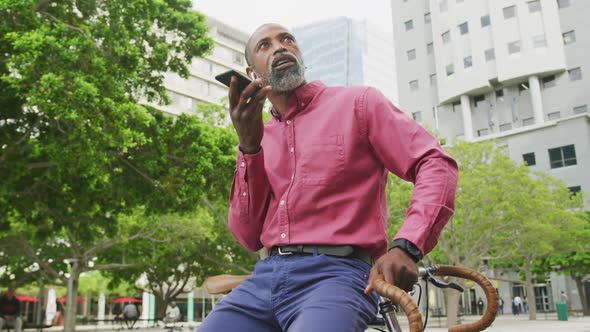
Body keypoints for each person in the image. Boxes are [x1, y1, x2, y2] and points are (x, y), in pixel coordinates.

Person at [198, 23, 458, 332]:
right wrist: (249, 148)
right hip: (264, 278)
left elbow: (434, 162)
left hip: (339, 276)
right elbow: (247, 235)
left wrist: (407, 246)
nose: (280, 47)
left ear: (300, 55)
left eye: (287, 39)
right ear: (251, 74)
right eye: (264, 46)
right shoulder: (258, 136)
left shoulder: (360, 104)